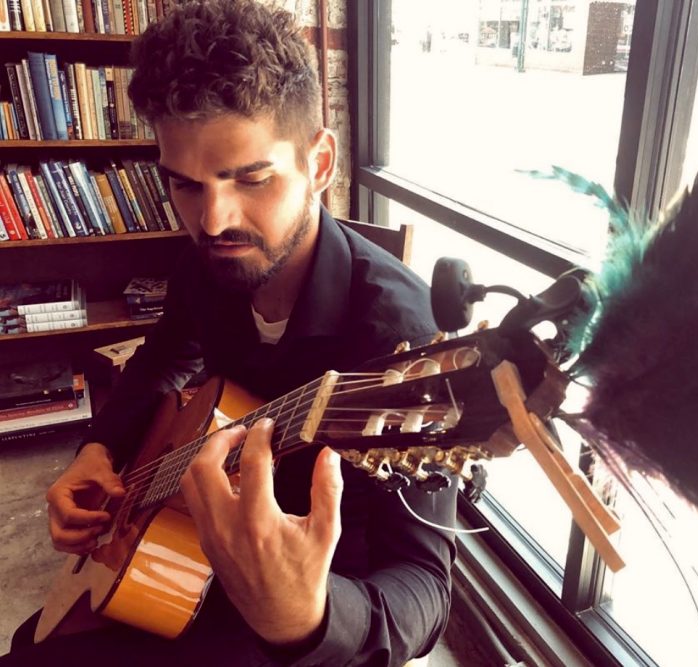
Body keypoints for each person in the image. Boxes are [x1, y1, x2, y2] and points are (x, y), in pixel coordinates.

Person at [1, 0, 456, 664]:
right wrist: (98, 448)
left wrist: (307, 615)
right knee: (28, 642)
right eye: (185, 185)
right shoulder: (206, 266)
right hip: (184, 549)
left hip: (313, 606)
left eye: (252, 178)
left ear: (320, 162)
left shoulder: (405, 341)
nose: (213, 221)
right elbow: (163, 357)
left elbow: (426, 589)